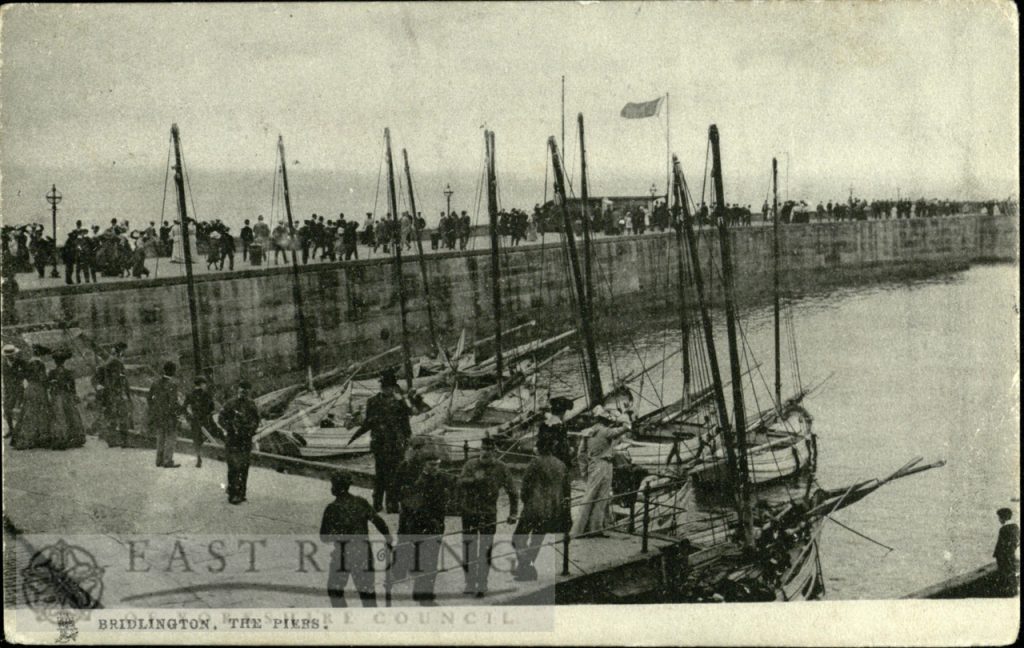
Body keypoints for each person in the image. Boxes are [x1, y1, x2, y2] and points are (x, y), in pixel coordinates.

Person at [320, 472, 393, 608]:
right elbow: (379, 522)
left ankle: (344, 619)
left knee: (334, 590)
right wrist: (388, 539)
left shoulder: (332, 508)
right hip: (364, 553)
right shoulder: (361, 502)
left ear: (335, 487)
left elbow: (324, 537)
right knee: (367, 594)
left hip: (342, 555)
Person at [458, 436, 518, 597]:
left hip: (488, 513)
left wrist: (513, 513)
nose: (486, 452)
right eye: (484, 449)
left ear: (495, 451)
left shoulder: (501, 468)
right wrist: (473, 480)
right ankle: (470, 583)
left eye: (490, 450)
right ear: (480, 449)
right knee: (469, 548)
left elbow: (513, 492)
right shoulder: (470, 464)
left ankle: (482, 584)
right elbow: (460, 482)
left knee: (486, 549)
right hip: (469, 512)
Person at [347, 369, 412, 513]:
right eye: (385, 386)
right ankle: (377, 503)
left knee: (395, 476)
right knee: (380, 475)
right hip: (380, 445)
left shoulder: (400, 403)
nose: (388, 389)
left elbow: (406, 422)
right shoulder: (373, 402)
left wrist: (407, 441)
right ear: (382, 387)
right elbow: (368, 423)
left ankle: (392, 504)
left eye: (390, 387)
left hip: (396, 445)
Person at [397, 451, 454, 604]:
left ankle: (420, 594)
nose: (435, 468)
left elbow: (455, 483)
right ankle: (425, 596)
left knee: (428, 562)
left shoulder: (441, 478)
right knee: (427, 562)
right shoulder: (419, 483)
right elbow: (414, 507)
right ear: (424, 465)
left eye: (437, 465)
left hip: (435, 525)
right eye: (431, 465)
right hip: (422, 526)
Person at [512, 440, 572, 581]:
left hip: (534, 508)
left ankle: (526, 566)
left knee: (517, 538)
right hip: (552, 510)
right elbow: (567, 490)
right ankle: (526, 567)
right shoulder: (561, 465)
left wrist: (526, 501)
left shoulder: (535, 463)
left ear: (538, 449)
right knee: (536, 540)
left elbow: (525, 487)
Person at [570, 406, 631, 538]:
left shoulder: (588, 432)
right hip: (604, 465)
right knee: (601, 498)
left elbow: (581, 453)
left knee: (589, 496)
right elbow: (627, 427)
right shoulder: (606, 432)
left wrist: (584, 470)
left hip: (593, 464)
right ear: (605, 420)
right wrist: (623, 416)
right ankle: (593, 528)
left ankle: (580, 529)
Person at [218, 380, 261, 504]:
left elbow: (256, 421)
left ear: (248, 392)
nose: (243, 393)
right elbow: (221, 418)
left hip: (245, 440)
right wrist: (230, 427)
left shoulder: (251, 405)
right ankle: (233, 494)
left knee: (244, 466)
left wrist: (250, 430)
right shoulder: (230, 404)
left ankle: (241, 493)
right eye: (241, 390)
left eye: (246, 391)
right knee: (233, 466)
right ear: (238, 390)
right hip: (232, 439)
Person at [11, 345, 53, 450]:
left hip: (30, 388)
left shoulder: (28, 363)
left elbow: (24, 376)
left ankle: (27, 436)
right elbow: (42, 378)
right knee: (40, 412)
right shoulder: (39, 363)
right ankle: (38, 438)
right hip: (38, 389)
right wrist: (50, 381)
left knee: (29, 411)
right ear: (41, 354)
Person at [93, 342, 133, 447]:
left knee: (113, 417)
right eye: (123, 352)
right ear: (121, 352)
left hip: (114, 393)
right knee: (121, 416)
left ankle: (113, 440)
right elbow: (122, 380)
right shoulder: (115, 362)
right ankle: (122, 441)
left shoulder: (110, 362)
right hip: (116, 393)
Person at [48, 347, 87, 450]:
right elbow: (73, 387)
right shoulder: (68, 372)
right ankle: (73, 437)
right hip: (66, 395)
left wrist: (53, 387)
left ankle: (61, 438)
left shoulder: (52, 372)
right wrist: (74, 395)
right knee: (70, 415)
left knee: (59, 416)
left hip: (58, 396)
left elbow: (49, 386)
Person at [147, 362, 181, 468]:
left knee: (160, 437)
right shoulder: (173, 385)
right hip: (169, 416)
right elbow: (173, 402)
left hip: (158, 415)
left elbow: (149, 398)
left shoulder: (155, 383)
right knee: (171, 437)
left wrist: (154, 409)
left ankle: (159, 460)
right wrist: (177, 414)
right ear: (172, 371)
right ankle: (167, 460)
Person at [184, 376, 217, 468]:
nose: (205, 386)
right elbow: (212, 409)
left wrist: (189, 418)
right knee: (209, 436)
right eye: (204, 384)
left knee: (196, 439)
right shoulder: (207, 394)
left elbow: (184, 407)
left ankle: (199, 457)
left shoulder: (189, 394)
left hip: (194, 420)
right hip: (205, 420)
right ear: (202, 384)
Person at [536, 396, 573, 470]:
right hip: (557, 461)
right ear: (563, 412)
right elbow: (563, 447)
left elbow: (540, 443)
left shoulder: (543, 424)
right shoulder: (560, 426)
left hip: (544, 458)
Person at [993, 507, 1019, 596]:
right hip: (1010, 555)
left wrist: (998, 555)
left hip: (1004, 556)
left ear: (1003, 518)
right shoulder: (1015, 527)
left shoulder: (1004, 529)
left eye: (999, 517)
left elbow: (1001, 544)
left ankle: (1006, 592)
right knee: (1011, 573)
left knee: (1004, 573)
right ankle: (1012, 591)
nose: (999, 520)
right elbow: (1015, 542)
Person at [2, 344, 26, 435]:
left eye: (12, 355)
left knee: (20, 409)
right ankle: (11, 429)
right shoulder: (3, 364)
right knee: (7, 409)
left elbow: (26, 374)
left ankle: (20, 429)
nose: (10, 356)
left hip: (19, 388)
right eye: (8, 355)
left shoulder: (21, 362)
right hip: (8, 390)